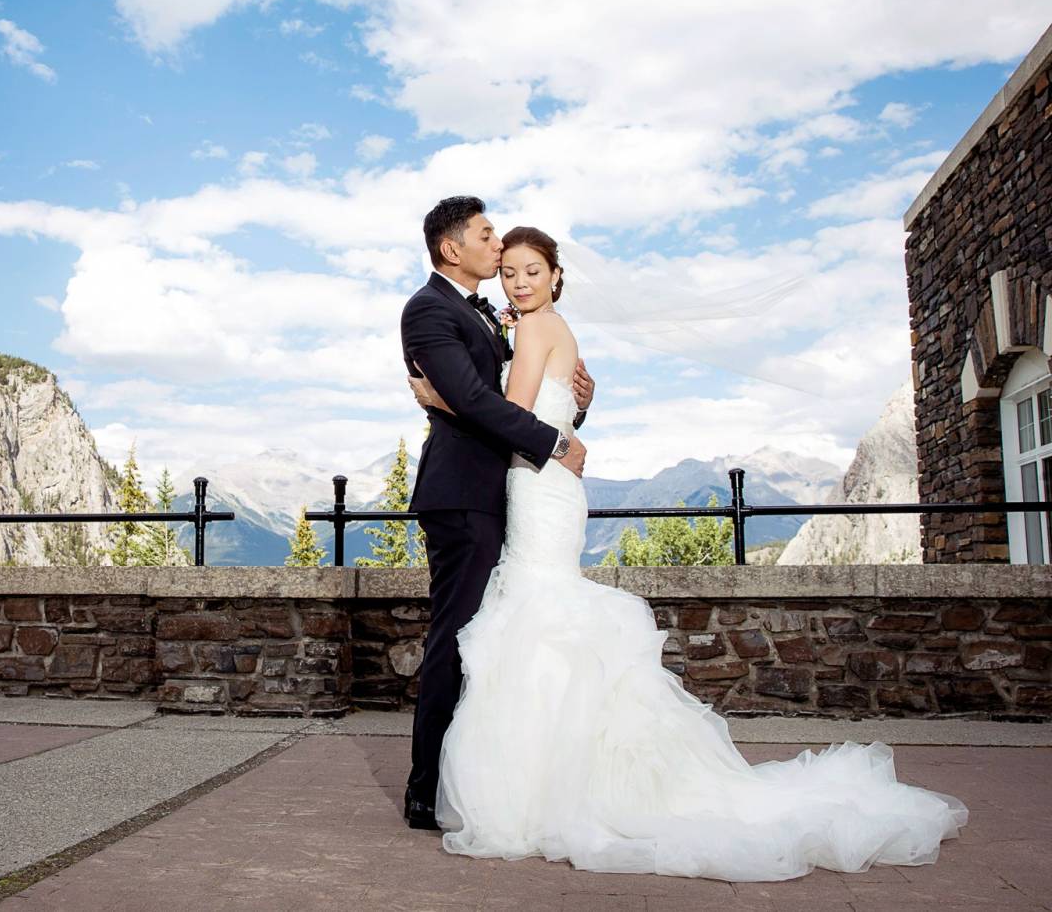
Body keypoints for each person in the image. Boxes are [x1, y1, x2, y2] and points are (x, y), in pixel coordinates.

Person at [407, 220, 969, 881]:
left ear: (558, 276)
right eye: (510, 271)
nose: (519, 280)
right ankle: (560, 778)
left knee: (535, 621)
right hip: (541, 489)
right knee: (538, 621)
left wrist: (438, 397)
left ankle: (539, 787)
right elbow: (542, 410)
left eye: (532, 270)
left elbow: (504, 408)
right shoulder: (531, 324)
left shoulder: (532, 327)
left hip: (537, 487)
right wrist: (570, 413)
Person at [398, 196, 593, 832]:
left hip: (511, 491)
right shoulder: (428, 310)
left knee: (500, 637)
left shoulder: (491, 316)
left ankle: (499, 777)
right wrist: (556, 441)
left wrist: (573, 408)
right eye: (487, 235)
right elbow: (478, 401)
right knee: (457, 637)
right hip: (463, 496)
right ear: (453, 248)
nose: (497, 245)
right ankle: (425, 790)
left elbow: (512, 397)